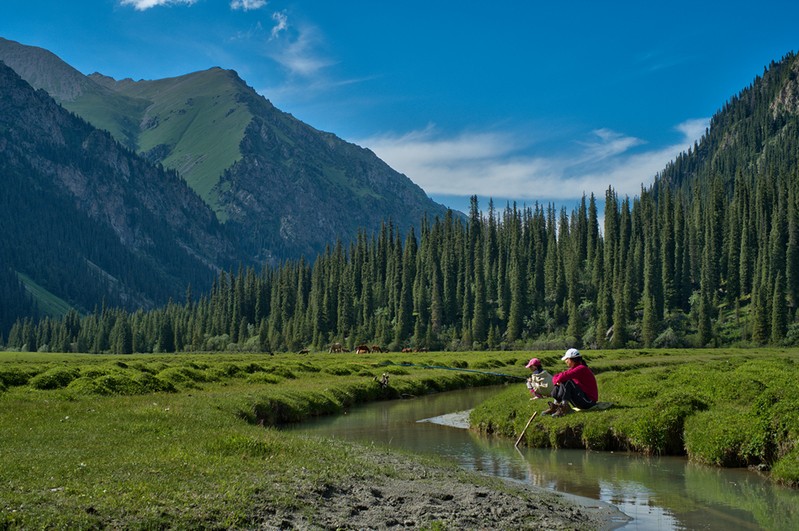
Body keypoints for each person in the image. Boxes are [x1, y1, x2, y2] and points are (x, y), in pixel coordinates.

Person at [542, 348, 597, 417]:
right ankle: (556, 406)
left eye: (566, 359)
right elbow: (556, 376)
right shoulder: (575, 368)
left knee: (567, 381)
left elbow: (562, 377)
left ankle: (564, 407)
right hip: (582, 399)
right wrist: (557, 382)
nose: (565, 361)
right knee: (563, 381)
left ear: (571, 359)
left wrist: (558, 380)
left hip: (588, 401)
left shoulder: (581, 368)